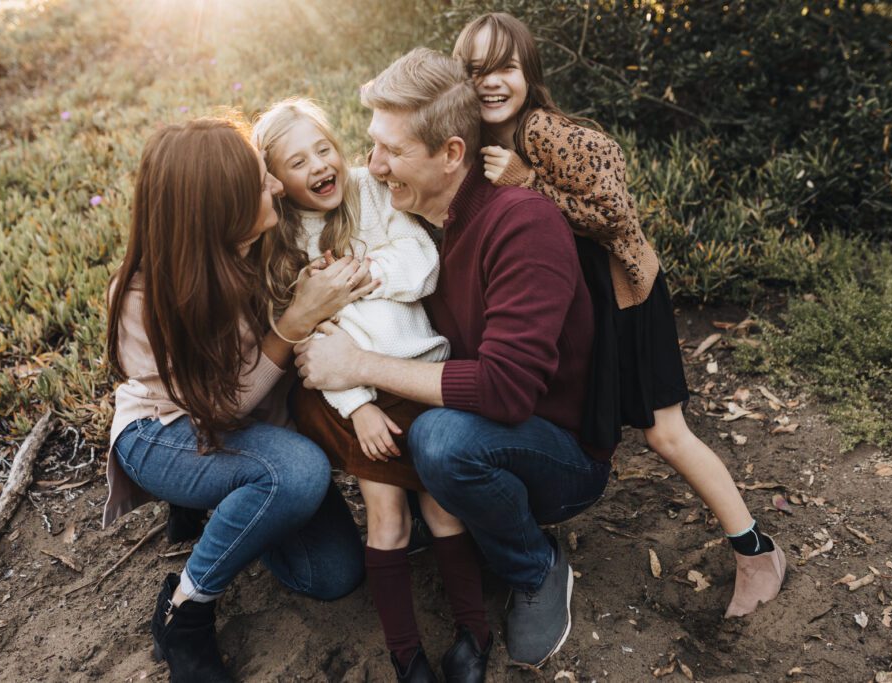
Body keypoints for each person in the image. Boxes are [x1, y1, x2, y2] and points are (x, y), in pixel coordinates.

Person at [452, 11, 787, 620]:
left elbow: (615, 214)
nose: (491, 82)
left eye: (504, 66)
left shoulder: (546, 132)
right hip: (584, 309)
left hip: (628, 301)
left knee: (665, 433)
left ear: (528, 68)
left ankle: (757, 550)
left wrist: (525, 180)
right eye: (475, 70)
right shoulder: (481, 140)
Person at [294, 48, 611, 669]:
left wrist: (358, 366)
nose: (373, 166)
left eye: (392, 152)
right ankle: (430, 514)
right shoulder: (423, 221)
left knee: (441, 440)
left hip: (557, 456)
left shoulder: (523, 224)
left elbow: (507, 391)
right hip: (482, 426)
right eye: (370, 145)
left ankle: (535, 565)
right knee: (316, 381)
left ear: (452, 154)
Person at [104, 117, 375, 682]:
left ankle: (231, 504)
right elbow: (219, 409)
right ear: (219, 207)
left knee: (332, 576)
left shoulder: (263, 241)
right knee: (295, 472)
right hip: (168, 431)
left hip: (257, 428)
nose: (277, 186)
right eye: (260, 183)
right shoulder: (145, 295)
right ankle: (187, 613)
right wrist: (298, 318)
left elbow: (345, 183)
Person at [251, 98, 491, 683]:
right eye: (296, 161)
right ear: (275, 181)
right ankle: (405, 654)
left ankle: (473, 631)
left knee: (442, 509)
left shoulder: (368, 191)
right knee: (387, 519)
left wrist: (359, 278)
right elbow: (314, 350)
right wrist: (357, 408)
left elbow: (422, 261)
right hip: (356, 396)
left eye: (323, 148)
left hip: (420, 370)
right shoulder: (282, 249)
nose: (317, 166)